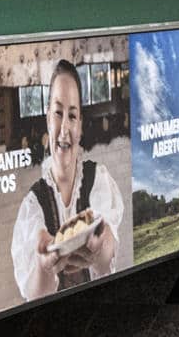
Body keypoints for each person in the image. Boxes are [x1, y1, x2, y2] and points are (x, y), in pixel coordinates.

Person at [9, 59, 126, 302]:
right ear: (47, 119)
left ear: (80, 125)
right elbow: (34, 296)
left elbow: (108, 258)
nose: (64, 129)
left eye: (72, 116)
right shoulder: (32, 205)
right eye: (58, 113)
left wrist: (98, 249)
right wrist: (44, 264)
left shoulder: (98, 179)